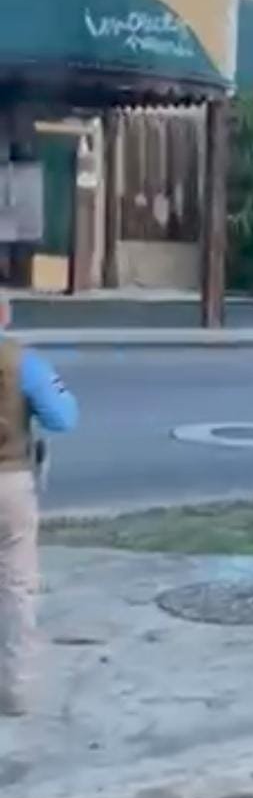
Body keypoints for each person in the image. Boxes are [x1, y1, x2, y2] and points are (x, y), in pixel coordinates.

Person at [0, 295, 77, 717]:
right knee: (15, 585)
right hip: (9, 482)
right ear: (5, 317)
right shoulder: (24, 363)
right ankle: (14, 690)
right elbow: (64, 417)